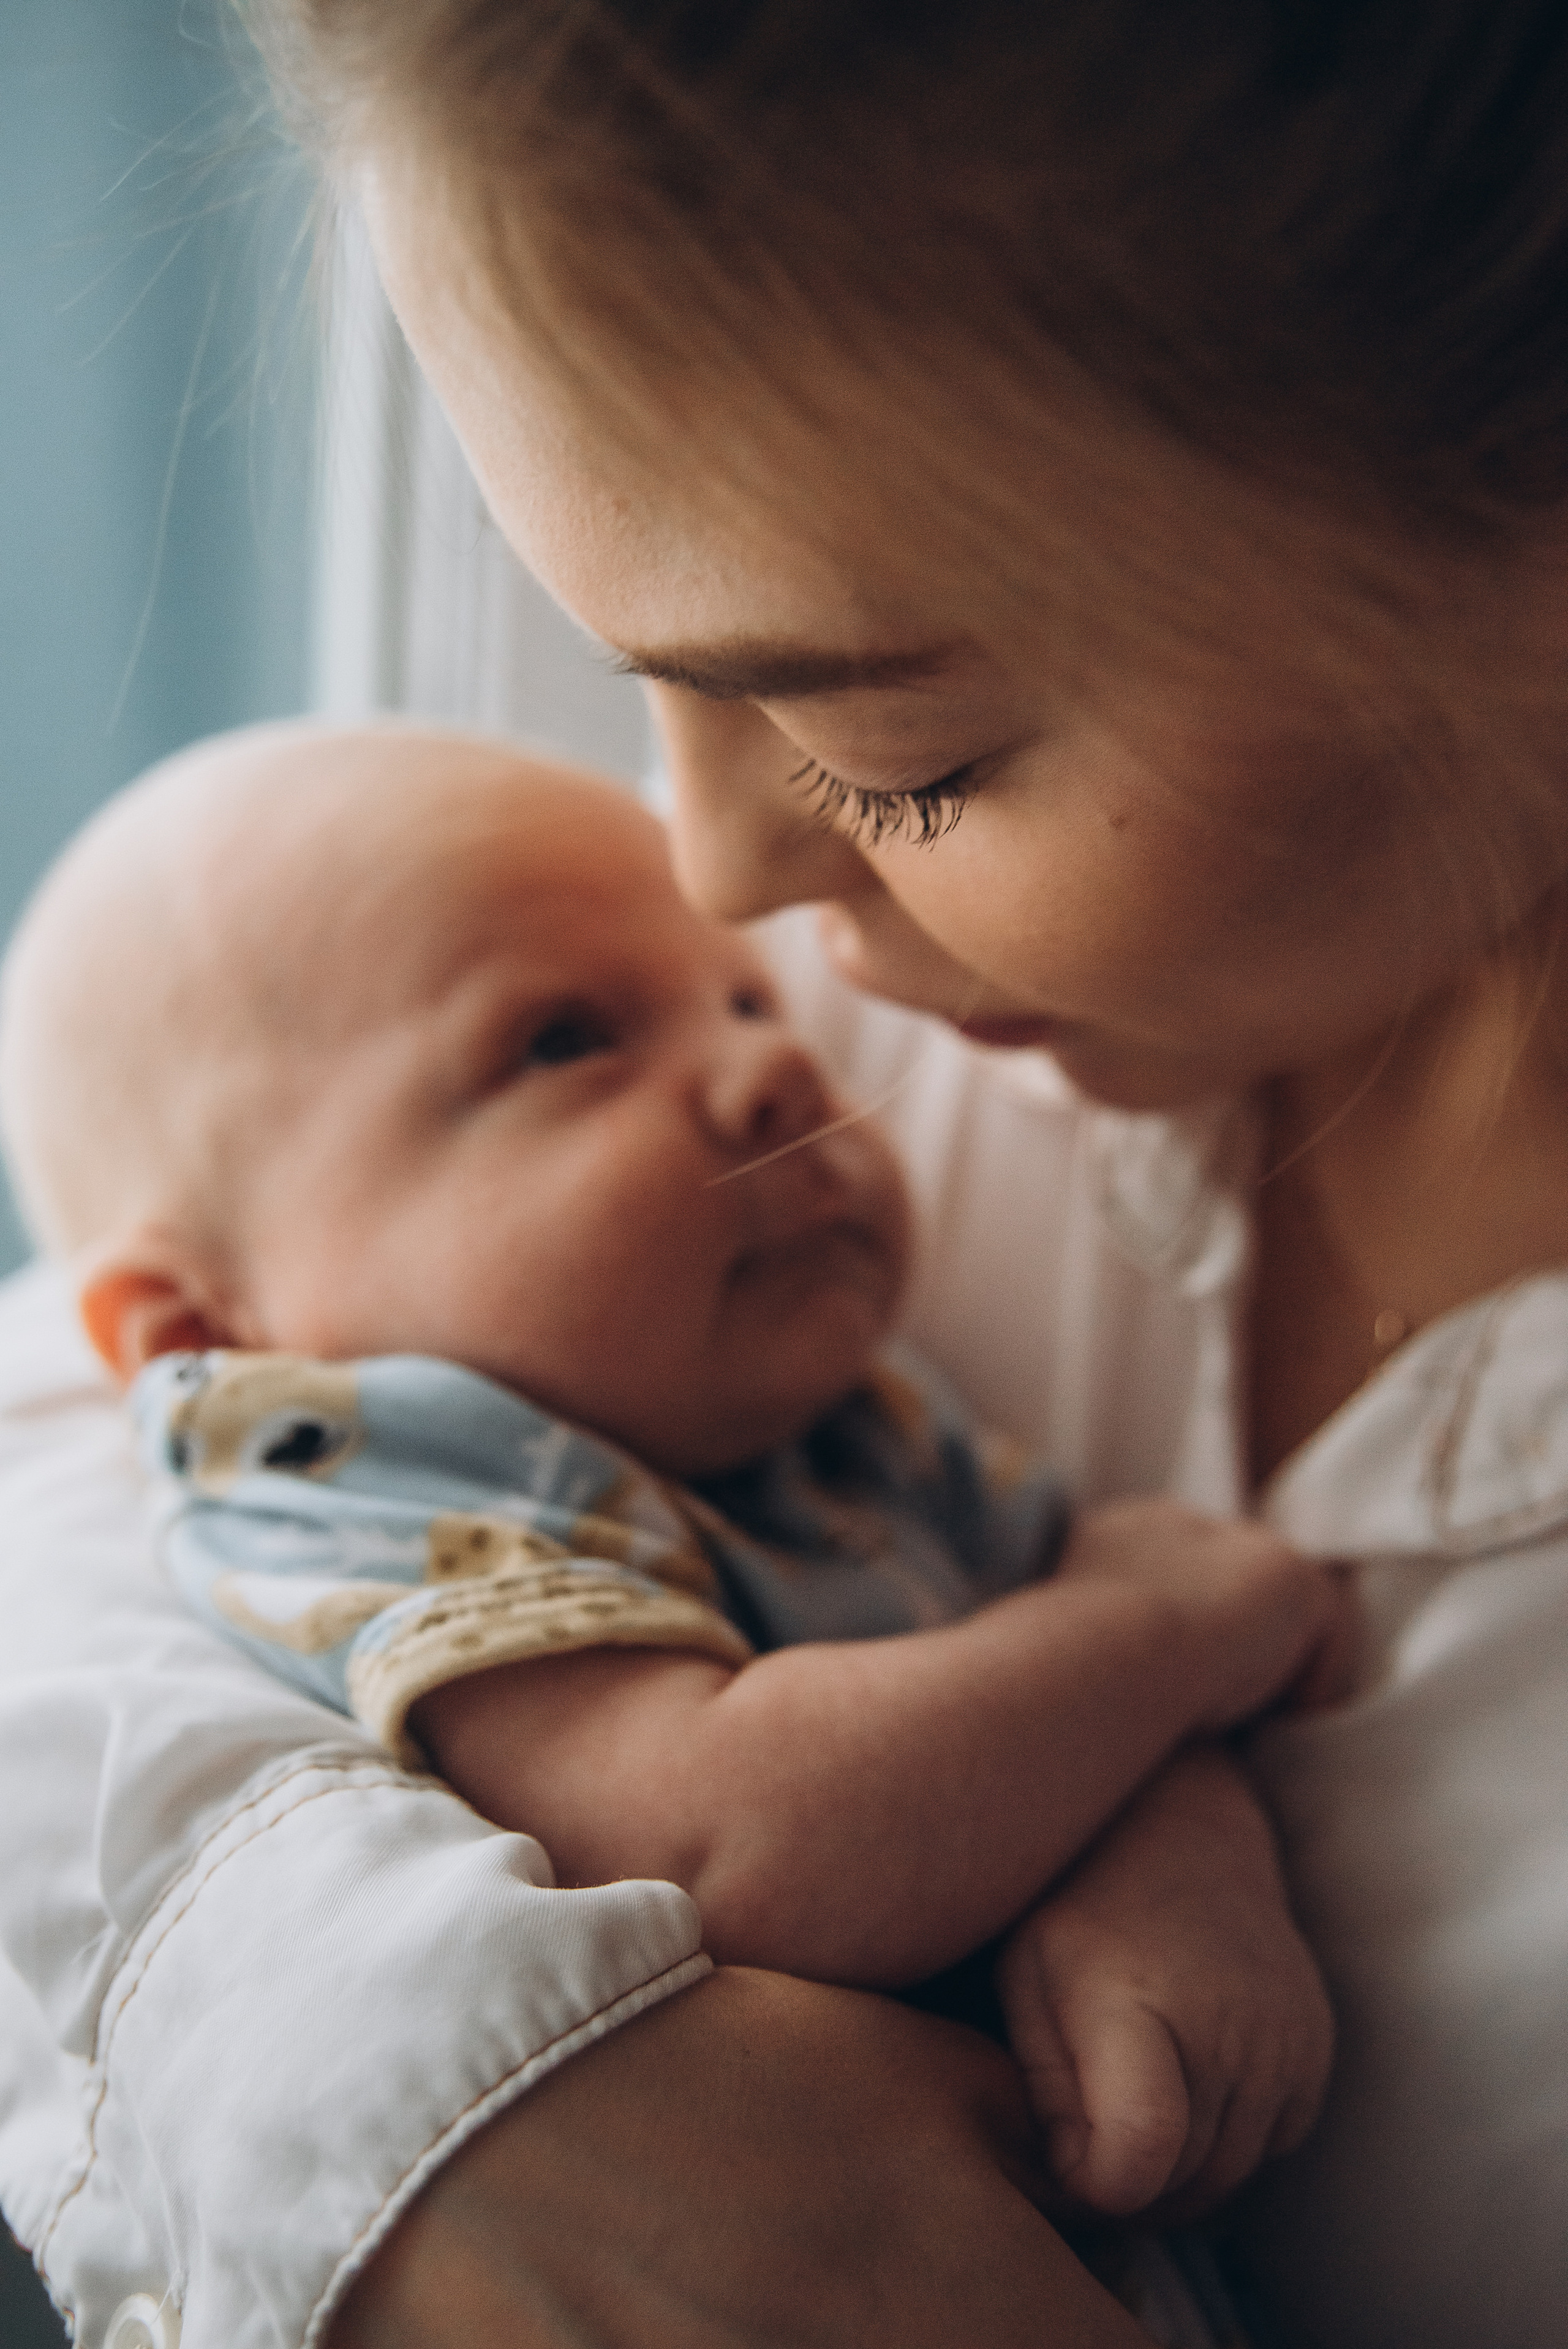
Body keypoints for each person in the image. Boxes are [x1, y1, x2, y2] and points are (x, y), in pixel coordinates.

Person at [3, 1, 1566, 2343]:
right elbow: (73, 1425)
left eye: (897, 750)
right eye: (643, 677)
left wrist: (1157, 1845)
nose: (717, 883)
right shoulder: (771, 1075)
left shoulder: (737, 1099)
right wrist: (389, 2061)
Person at [0, 720, 1343, 2260]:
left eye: (743, 999)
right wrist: (1166, 1633)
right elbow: (735, 1842)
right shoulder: (367, 1477)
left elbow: (1075, 1671)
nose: (776, 1069)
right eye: (564, 1041)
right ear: (205, 1332)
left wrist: (1175, 1861)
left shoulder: (839, 1427)